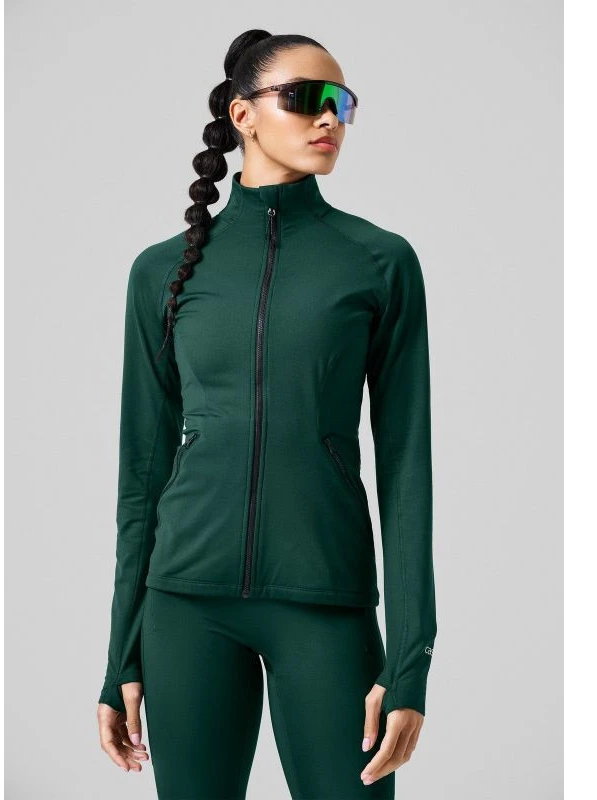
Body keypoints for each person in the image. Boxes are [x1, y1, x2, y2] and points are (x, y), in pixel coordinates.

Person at [95, 29, 437, 800]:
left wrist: (410, 663)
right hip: (184, 606)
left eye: (343, 102)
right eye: (306, 98)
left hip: (325, 602)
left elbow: (407, 472)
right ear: (243, 114)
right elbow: (142, 476)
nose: (330, 118)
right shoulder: (162, 272)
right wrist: (121, 655)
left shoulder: (379, 261)